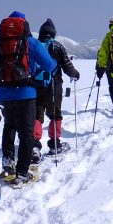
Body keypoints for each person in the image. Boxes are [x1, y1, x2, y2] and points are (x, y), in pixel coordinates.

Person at [0, 11, 56, 183]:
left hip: (3, 93)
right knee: (26, 132)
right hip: (26, 92)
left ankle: (8, 162)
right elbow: (49, 65)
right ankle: (22, 172)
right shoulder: (31, 42)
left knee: (9, 125)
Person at [33, 18, 80, 154]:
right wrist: (75, 74)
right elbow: (67, 65)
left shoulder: (34, 45)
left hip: (36, 85)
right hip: (54, 85)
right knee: (55, 114)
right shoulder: (58, 46)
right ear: (53, 34)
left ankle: (35, 144)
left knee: (37, 114)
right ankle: (55, 144)